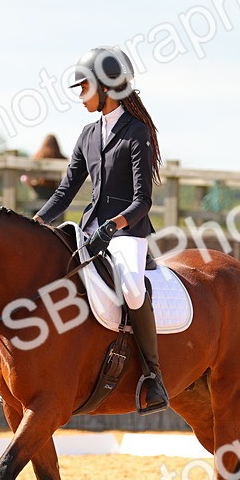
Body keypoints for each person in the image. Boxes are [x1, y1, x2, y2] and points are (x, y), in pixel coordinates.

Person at [33, 45, 168, 414]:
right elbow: (64, 192)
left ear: (106, 88)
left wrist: (113, 226)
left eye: (84, 88)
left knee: (134, 290)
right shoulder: (88, 135)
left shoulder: (135, 132)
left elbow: (143, 200)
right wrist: (38, 222)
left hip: (127, 232)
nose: (80, 96)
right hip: (90, 229)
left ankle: (153, 377)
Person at [22, 134, 64, 200]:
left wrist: (33, 185)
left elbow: (25, 178)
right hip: (55, 191)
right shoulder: (62, 159)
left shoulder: (37, 157)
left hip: (39, 191)